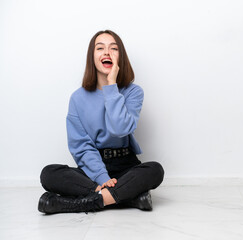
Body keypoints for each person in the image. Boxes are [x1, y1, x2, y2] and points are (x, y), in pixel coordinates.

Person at [38, 30, 164, 214]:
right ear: (92, 57)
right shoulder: (77, 98)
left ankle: (77, 203)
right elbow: (81, 146)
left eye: (114, 48)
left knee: (155, 170)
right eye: (100, 48)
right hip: (93, 166)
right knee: (49, 174)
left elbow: (120, 129)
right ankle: (130, 198)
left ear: (121, 57)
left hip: (125, 165)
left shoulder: (133, 92)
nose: (107, 52)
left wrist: (111, 86)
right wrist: (101, 177)